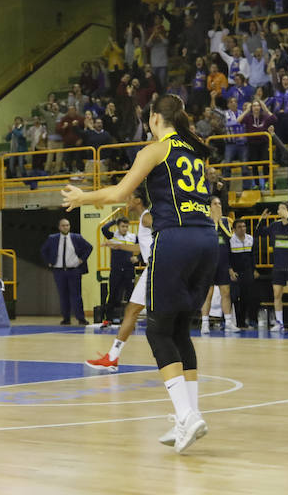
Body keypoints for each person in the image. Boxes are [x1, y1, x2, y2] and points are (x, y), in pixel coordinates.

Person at [63, 95, 215, 453]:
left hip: (175, 238)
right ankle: (187, 415)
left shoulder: (156, 149)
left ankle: (187, 416)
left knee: (159, 330)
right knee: (179, 329)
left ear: (154, 118)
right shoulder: (193, 150)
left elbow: (119, 192)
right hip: (207, 239)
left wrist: (83, 197)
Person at [86, 188, 151, 371]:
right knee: (132, 310)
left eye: (129, 199)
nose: (126, 203)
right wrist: (118, 246)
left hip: (159, 268)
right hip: (153, 268)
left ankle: (113, 357)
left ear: (138, 201)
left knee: (137, 311)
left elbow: (167, 230)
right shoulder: (142, 220)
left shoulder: (147, 217)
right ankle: (112, 357)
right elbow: (141, 247)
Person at [40, 219, 92, 326]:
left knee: (76, 295)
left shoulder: (77, 237)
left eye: (67, 225)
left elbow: (89, 247)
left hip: (74, 270)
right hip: (59, 271)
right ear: (59, 227)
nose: (66, 227)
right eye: (63, 225)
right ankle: (66, 318)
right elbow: (43, 250)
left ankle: (81, 318)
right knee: (63, 295)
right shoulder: (52, 238)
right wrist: (49, 262)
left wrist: (82, 259)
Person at [200, 197, 239, 334]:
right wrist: (215, 222)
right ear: (209, 206)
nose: (218, 206)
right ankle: (204, 323)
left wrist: (219, 222)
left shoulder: (225, 221)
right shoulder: (204, 220)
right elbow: (206, 237)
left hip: (222, 262)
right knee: (208, 294)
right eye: (215, 204)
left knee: (226, 293)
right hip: (208, 263)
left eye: (220, 203)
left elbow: (229, 237)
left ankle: (228, 322)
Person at [100, 215, 136, 326]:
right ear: (118, 226)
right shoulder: (112, 236)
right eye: (122, 226)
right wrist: (114, 221)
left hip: (129, 270)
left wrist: (137, 258)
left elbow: (142, 247)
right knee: (113, 294)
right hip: (116, 270)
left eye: (126, 226)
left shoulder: (133, 237)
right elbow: (104, 229)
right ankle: (109, 318)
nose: (124, 228)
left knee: (130, 295)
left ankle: (129, 320)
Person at [229, 219, 260, 329]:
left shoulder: (250, 239)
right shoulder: (230, 240)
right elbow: (227, 257)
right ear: (234, 229)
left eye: (244, 226)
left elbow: (252, 256)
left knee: (248, 297)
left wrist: (254, 269)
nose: (242, 229)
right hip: (236, 273)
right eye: (239, 227)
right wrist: (230, 270)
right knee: (234, 298)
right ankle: (235, 322)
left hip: (247, 272)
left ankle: (249, 321)